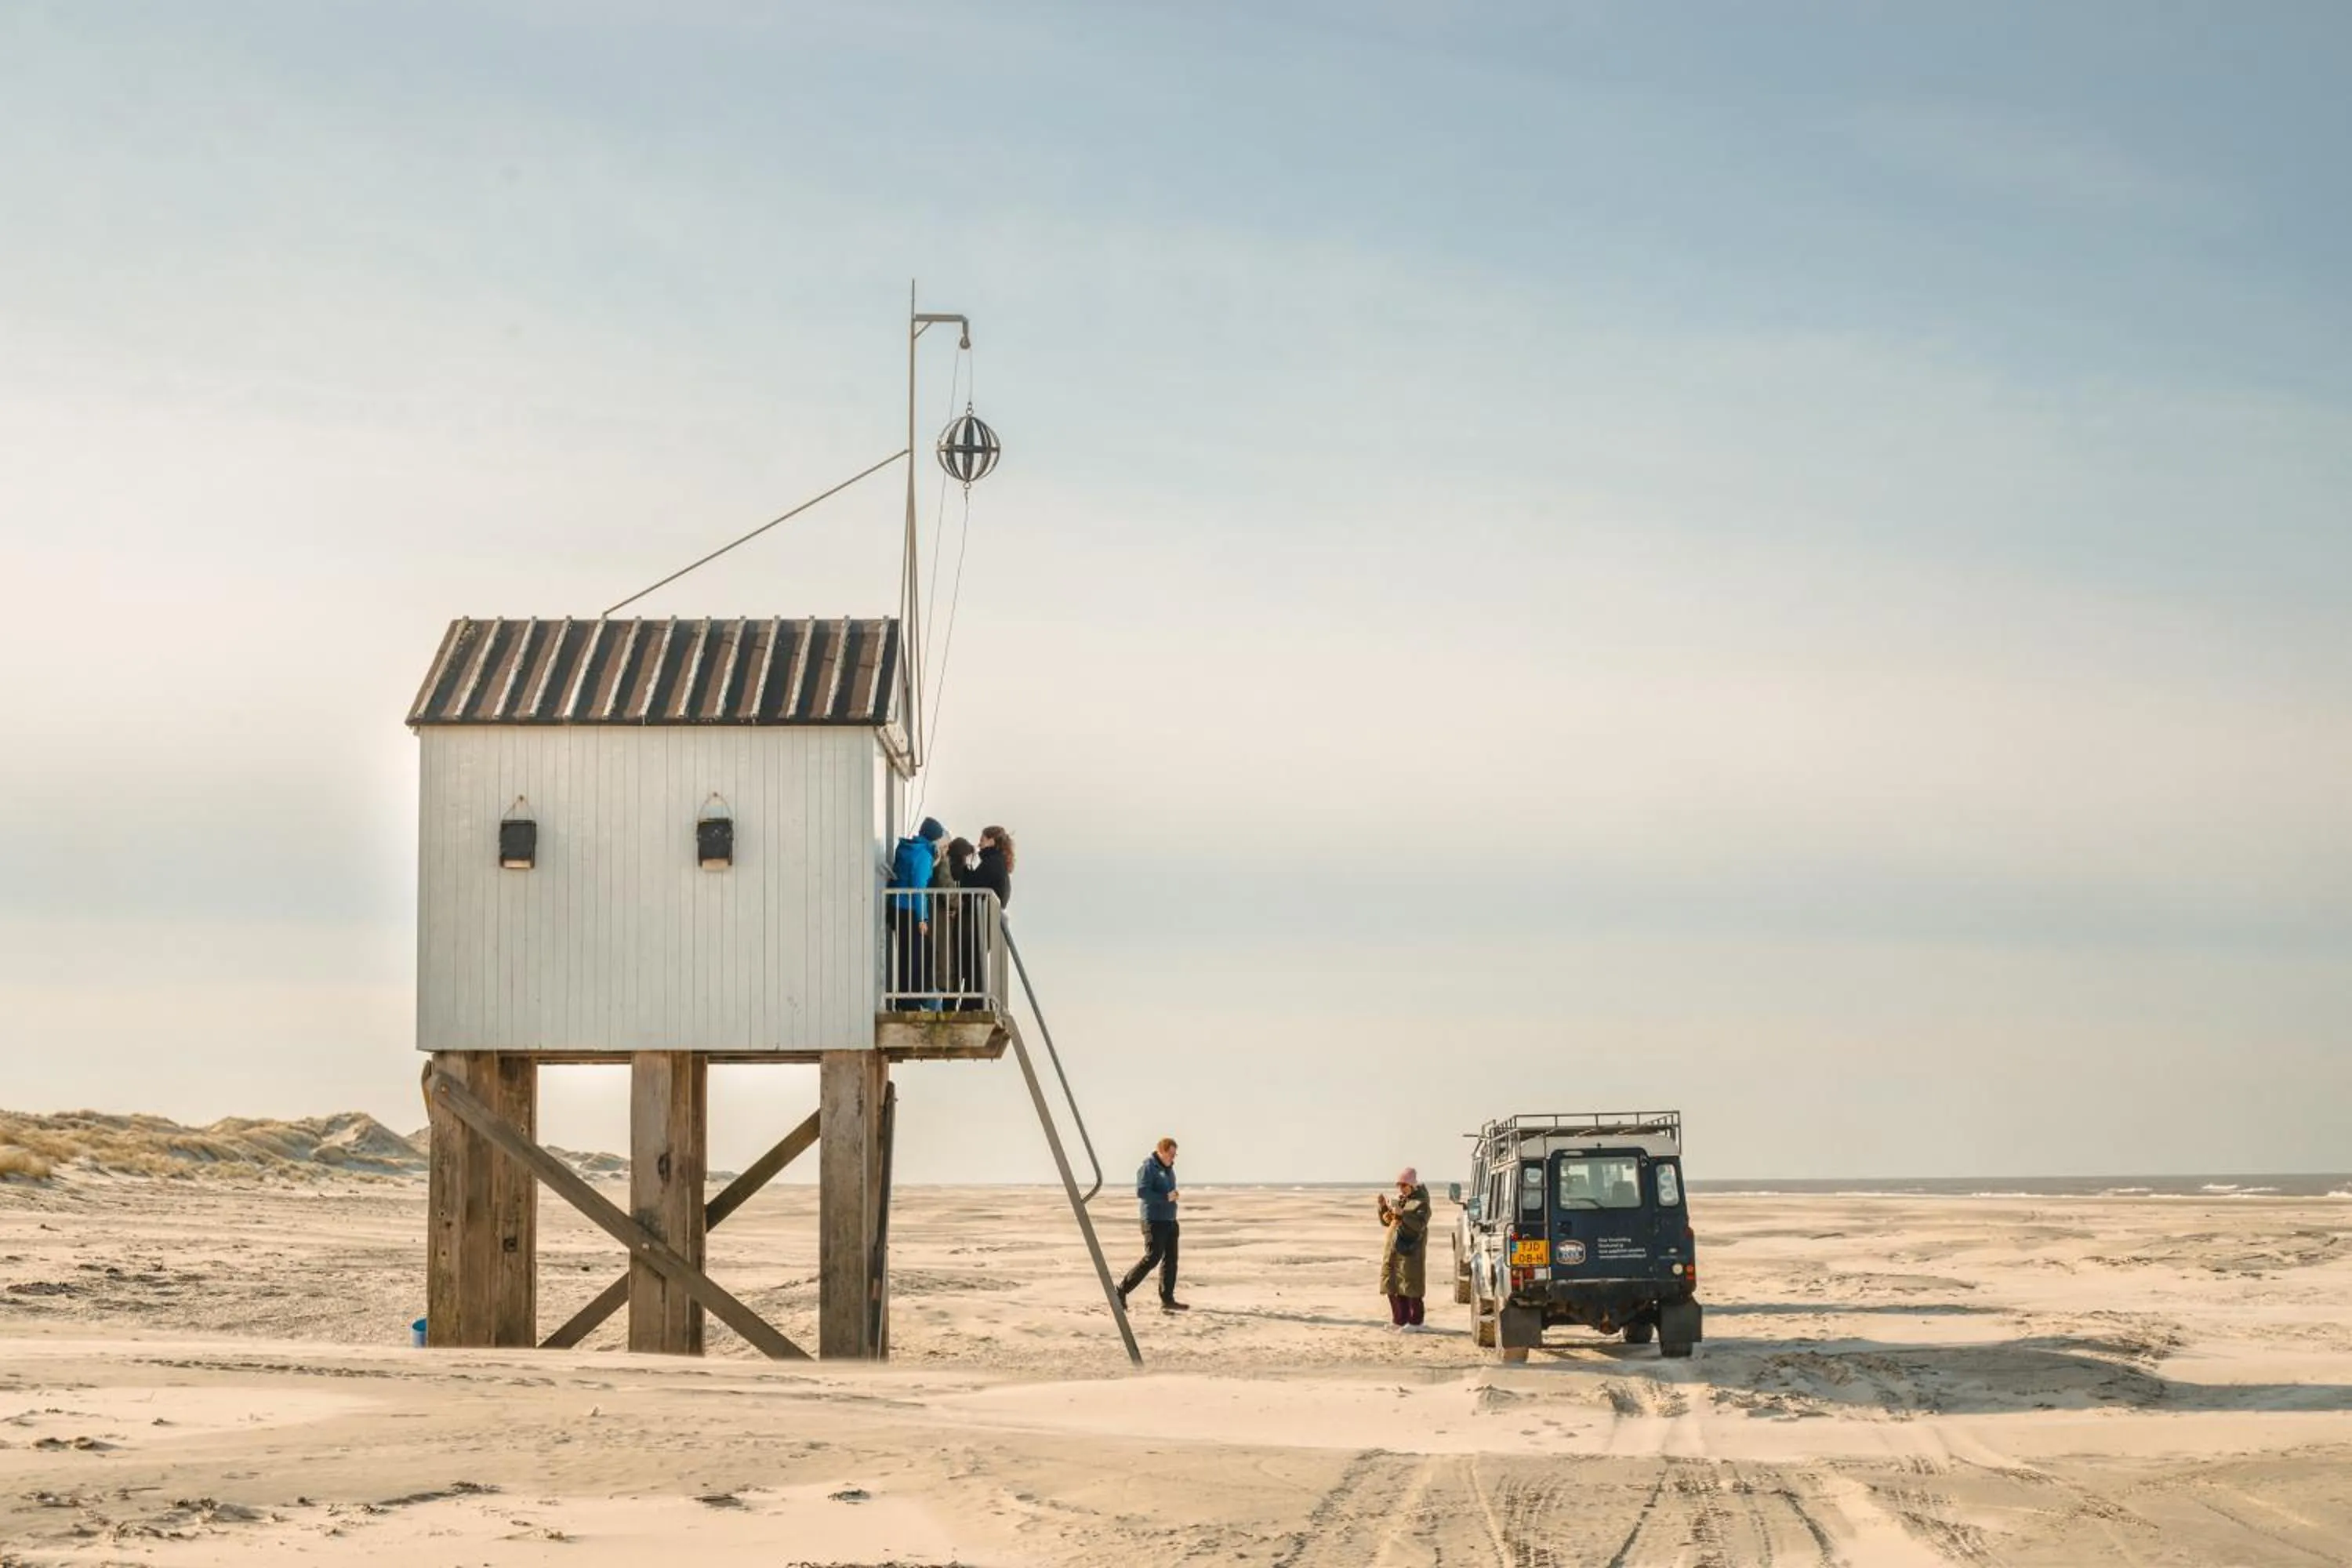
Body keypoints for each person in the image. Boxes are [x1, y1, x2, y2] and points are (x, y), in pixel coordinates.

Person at [1116, 1136, 1188, 1312]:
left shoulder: (1169, 1169)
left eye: (1175, 1154)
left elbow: (1167, 1192)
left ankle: (1167, 1299)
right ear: (1161, 1151)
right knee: (1153, 1258)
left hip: (1170, 1220)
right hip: (1153, 1221)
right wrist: (1165, 1197)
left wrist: (1173, 1196)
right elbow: (1142, 1192)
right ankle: (1121, 1290)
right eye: (1171, 1154)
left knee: (1171, 1260)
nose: (1173, 1158)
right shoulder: (1148, 1167)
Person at [887, 818, 945, 1009]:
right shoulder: (924, 855)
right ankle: (911, 1001)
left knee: (906, 954)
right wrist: (922, 919)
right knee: (916, 956)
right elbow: (919, 888)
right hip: (911, 909)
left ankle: (906, 1000)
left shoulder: (907, 847)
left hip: (897, 907)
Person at [1377, 1167, 1432, 1329]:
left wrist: (1403, 1214)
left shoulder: (1421, 1203)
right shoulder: (1401, 1200)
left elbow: (1419, 1224)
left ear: (1412, 1185)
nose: (1401, 1189)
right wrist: (1383, 1207)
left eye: (1404, 1185)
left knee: (1411, 1286)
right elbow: (1389, 1221)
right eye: (1399, 1185)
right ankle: (1399, 1320)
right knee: (1393, 1286)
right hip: (1393, 1250)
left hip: (1410, 1249)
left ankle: (1416, 1322)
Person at [934, 836, 976, 1007]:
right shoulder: (960, 873)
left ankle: (947, 1003)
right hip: (954, 926)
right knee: (953, 965)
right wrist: (959, 906)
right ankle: (951, 1004)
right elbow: (951, 894)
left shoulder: (944, 868)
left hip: (949, 925)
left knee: (949, 966)